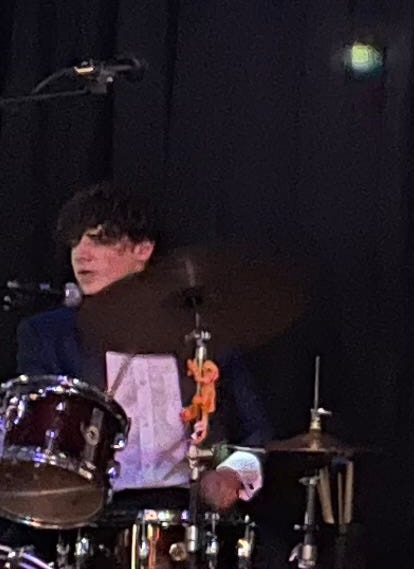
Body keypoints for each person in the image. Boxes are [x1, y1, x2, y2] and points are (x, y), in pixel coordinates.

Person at [16, 183, 260, 512]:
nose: (81, 253)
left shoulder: (202, 335)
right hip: (90, 512)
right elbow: (39, 441)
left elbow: (257, 436)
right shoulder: (48, 336)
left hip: (186, 514)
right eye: (76, 240)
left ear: (142, 251)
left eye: (99, 239)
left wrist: (233, 475)